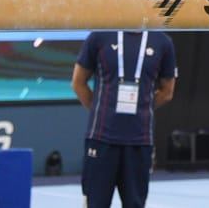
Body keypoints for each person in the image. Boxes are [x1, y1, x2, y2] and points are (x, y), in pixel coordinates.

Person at [72, 30, 177, 208]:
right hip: (101, 139)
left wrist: (142, 108)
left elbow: (167, 92)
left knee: (135, 203)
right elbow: (78, 83)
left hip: (139, 141)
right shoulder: (99, 36)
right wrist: (100, 108)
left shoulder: (162, 42)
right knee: (95, 203)